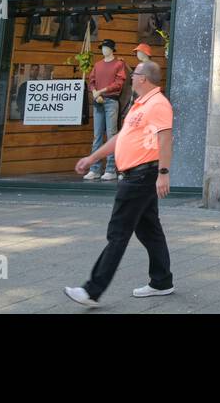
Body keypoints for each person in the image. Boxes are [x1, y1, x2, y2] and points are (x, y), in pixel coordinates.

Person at [65, 60, 174, 307]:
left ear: (143, 78)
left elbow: (165, 140)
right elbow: (120, 139)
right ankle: (162, 281)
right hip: (137, 176)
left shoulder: (158, 104)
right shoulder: (139, 105)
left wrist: (164, 173)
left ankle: (92, 291)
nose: (130, 77)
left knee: (118, 233)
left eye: (134, 73)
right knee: (149, 230)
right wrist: (92, 158)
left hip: (140, 176)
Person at [84, 39, 126, 181]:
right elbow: (91, 81)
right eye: (102, 47)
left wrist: (101, 91)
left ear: (112, 49)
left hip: (111, 101)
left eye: (106, 47)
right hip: (98, 102)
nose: (104, 50)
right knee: (97, 136)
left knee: (111, 134)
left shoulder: (119, 64)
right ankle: (95, 169)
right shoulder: (97, 65)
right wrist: (95, 93)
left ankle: (110, 169)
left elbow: (118, 84)